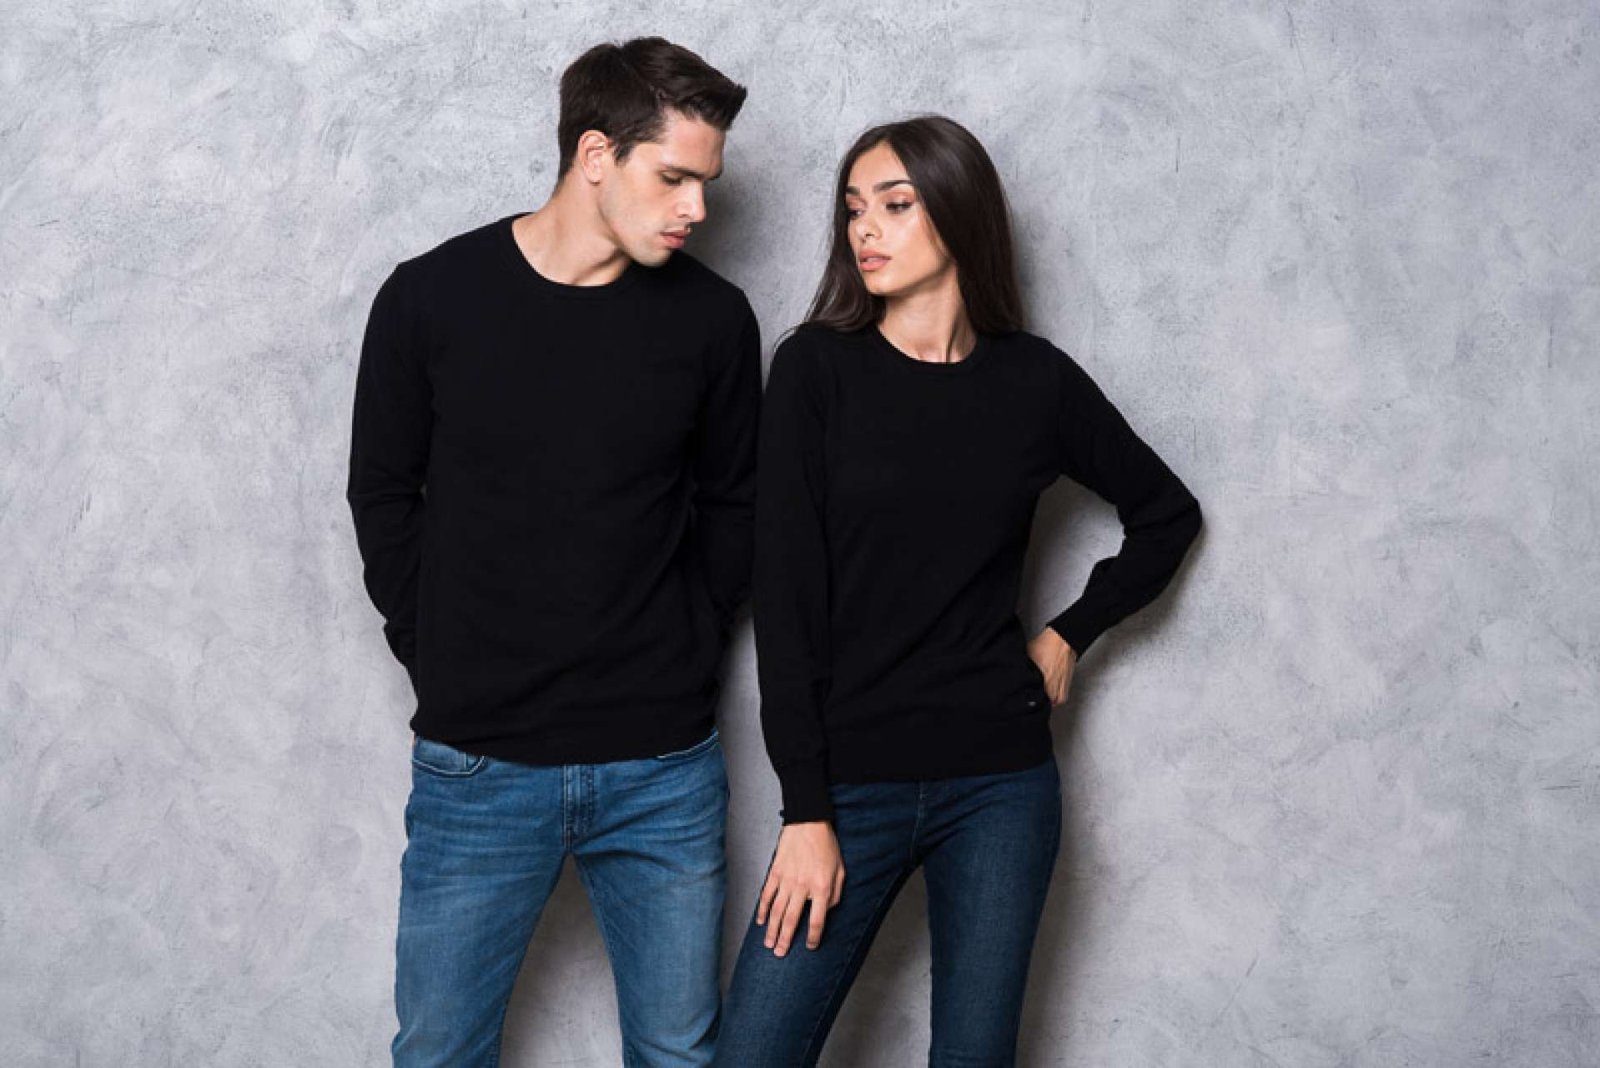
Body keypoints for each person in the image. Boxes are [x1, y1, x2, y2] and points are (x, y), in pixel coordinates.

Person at [713, 115, 1203, 1067]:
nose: (866, 228)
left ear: (958, 212)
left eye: (896, 205)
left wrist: (1070, 632)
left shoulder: (1034, 381)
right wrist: (806, 811)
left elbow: (1167, 514)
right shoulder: (815, 370)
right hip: (848, 786)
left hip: (1000, 787)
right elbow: (787, 604)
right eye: (854, 208)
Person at [345, 37, 759, 1067]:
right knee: (439, 1053)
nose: (696, 209)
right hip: (479, 765)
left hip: (662, 768)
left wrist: (689, 649)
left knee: (678, 1054)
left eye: (706, 185)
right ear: (595, 156)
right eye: (675, 178)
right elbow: (383, 494)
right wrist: (440, 653)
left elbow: (735, 506)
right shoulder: (430, 299)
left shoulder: (713, 322)